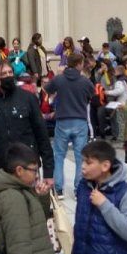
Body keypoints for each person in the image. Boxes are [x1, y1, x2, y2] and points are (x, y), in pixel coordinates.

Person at [0, 61, 54, 190]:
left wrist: (49, 172)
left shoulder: (28, 99)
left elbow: (42, 137)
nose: (8, 76)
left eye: (10, 72)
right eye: (3, 74)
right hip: (2, 171)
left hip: (28, 169)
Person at [0, 141, 55, 254]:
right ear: (19, 170)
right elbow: (19, 250)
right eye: (34, 171)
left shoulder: (19, 189)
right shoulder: (13, 198)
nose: (37, 176)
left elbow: (35, 222)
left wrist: (40, 196)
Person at [70, 139, 127, 254]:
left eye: (88, 163)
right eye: (83, 161)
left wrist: (104, 204)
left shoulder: (124, 192)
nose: (83, 166)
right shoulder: (84, 186)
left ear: (105, 166)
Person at [45, 52, 95, 196]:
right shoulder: (85, 81)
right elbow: (91, 96)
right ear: (79, 64)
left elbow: (47, 89)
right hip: (79, 120)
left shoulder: (59, 79)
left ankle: (59, 188)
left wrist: (56, 96)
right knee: (80, 156)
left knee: (59, 155)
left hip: (62, 119)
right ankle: (78, 188)